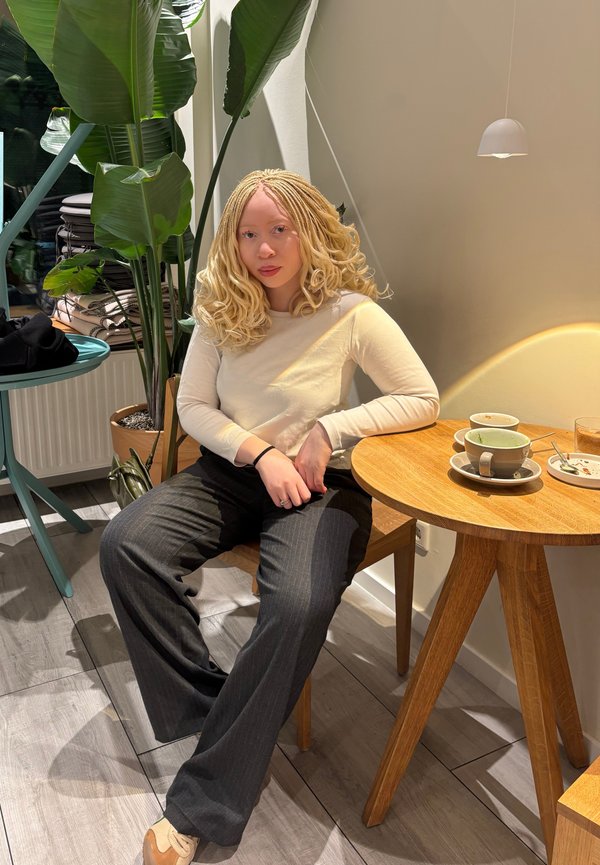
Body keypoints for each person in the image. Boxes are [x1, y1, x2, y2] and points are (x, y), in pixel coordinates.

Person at [100, 169, 439, 865]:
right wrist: (258, 453)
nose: (264, 248)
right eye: (249, 234)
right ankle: (226, 715)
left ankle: (200, 805)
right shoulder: (222, 307)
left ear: (310, 230)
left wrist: (328, 431)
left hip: (320, 484)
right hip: (234, 471)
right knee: (126, 543)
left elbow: (420, 397)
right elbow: (193, 407)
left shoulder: (351, 312)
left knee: (302, 598)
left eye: (279, 229)